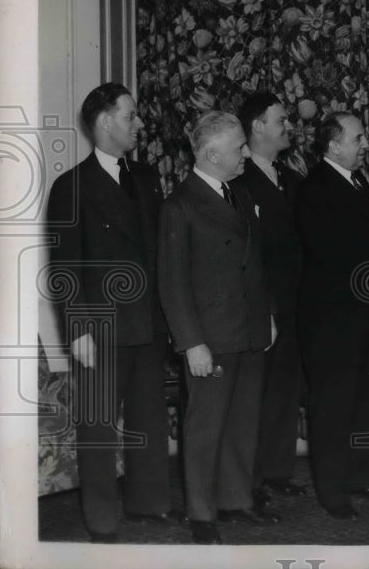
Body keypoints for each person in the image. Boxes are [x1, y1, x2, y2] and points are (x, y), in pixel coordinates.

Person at [45, 83, 178, 542]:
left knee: (150, 417)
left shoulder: (147, 178)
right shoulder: (71, 187)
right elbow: (64, 269)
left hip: (148, 324)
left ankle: (148, 504)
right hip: (99, 329)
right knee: (98, 427)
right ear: (105, 121)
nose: (138, 123)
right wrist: (78, 329)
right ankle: (101, 520)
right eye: (130, 115)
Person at [158, 110, 279, 544]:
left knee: (244, 422)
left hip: (248, 331)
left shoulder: (239, 193)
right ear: (211, 154)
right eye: (238, 148)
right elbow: (172, 283)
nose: (246, 153)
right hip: (210, 337)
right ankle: (201, 514)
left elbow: (254, 263)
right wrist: (192, 343)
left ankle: (235, 501)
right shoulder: (180, 204)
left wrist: (266, 314)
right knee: (205, 426)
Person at [296, 113, 369, 520]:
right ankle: (332, 492)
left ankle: (359, 478)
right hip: (331, 321)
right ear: (334, 146)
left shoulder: (355, 182)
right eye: (357, 138)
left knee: (363, 402)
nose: (366, 143)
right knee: (333, 407)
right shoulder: (314, 188)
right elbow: (329, 251)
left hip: (361, 314)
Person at [233, 92, 306, 507]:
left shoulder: (293, 180)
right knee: (255, 398)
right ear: (257, 126)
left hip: (294, 307)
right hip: (262, 308)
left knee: (284, 392)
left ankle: (277, 472)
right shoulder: (238, 182)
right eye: (280, 120)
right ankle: (252, 480)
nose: (288, 126)